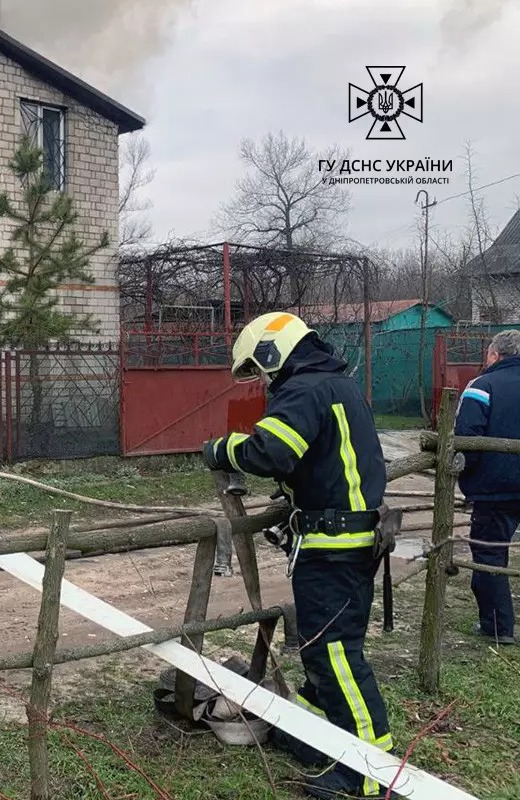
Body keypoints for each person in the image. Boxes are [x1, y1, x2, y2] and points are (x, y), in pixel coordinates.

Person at [201, 312, 393, 800]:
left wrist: (220, 450)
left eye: (260, 370)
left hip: (334, 547)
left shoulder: (305, 390)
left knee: (335, 654)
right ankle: (318, 738)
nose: (263, 382)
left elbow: (272, 452)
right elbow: (323, 459)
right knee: (318, 648)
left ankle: (370, 771)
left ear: (272, 351)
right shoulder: (335, 384)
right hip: (341, 540)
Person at [454, 328, 520, 647]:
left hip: (496, 489)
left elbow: (468, 438)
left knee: (489, 556)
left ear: (495, 355)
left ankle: (498, 626)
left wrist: (465, 472)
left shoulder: (482, 386)